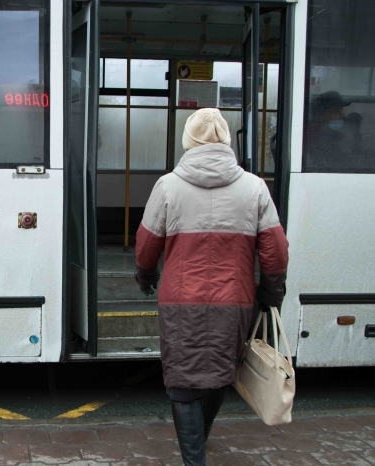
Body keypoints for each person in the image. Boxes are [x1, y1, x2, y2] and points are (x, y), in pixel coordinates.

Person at [134, 108, 289, 466]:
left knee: (183, 381)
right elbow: (276, 251)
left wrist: (146, 275)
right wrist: (270, 294)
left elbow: (146, 245)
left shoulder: (168, 185)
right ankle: (198, 446)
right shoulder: (254, 187)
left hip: (179, 300)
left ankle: (194, 458)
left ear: (188, 141)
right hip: (235, 300)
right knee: (220, 374)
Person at [304, 90, 361, 170]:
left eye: (342, 110)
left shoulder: (333, 136)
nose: (343, 116)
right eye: (336, 112)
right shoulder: (313, 138)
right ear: (320, 115)